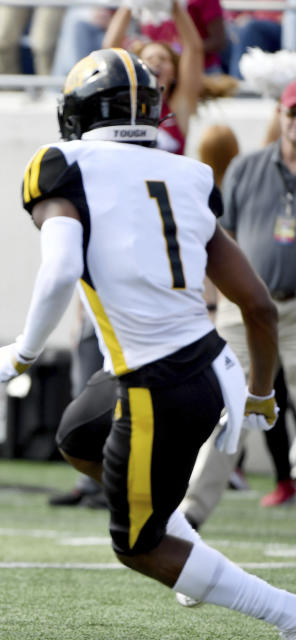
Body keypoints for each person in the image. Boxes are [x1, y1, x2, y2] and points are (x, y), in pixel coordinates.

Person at [0, 48, 296, 637]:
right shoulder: (190, 174)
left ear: (78, 112)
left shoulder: (61, 163)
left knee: (139, 547)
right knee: (76, 436)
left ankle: (286, 612)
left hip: (158, 383)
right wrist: (261, 394)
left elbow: (62, 266)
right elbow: (255, 305)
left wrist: (22, 351)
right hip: (196, 364)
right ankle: (188, 539)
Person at [179, 81, 296, 521]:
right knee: (227, 402)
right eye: (292, 112)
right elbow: (221, 239)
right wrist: (213, 302)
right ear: (280, 116)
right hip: (246, 305)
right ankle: (192, 511)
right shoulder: (247, 168)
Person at [103, 1, 205, 155]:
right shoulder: (126, 105)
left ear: (174, 73)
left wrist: (174, 5)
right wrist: (129, 5)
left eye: (163, 59)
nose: (156, 62)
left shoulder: (177, 107)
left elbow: (194, 49)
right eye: (149, 59)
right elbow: (109, 51)